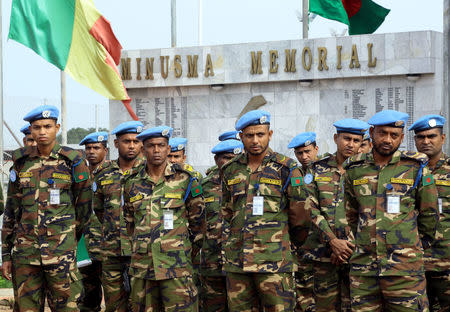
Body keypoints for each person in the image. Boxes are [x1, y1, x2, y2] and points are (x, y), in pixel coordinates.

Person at [344, 110, 439, 311]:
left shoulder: (416, 167)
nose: (388, 139)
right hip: (364, 271)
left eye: (394, 135)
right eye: (383, 133)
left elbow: (429, 214)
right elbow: (348, 214)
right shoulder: (355, 168)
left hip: (405, 271)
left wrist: (411, 246)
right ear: (372, 132)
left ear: (402, 138)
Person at [1, 105, 91, 311]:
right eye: (37, 127)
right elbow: (11, 210)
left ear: (57, 127)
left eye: (47, 126)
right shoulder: (21, 162)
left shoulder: (73, 161)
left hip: (61, 255)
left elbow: (85, 208)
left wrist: (68, 238)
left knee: (67, 308)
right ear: (30, 130)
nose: (42, 132)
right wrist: (6, 255)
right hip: (26, 256)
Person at [221, 110, 309, 311]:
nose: (255, 140)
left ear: (270, 135)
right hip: (238, 262)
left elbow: (300, 217)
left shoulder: (286, 168)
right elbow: (227, 212)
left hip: (274, 262)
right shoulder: (230, 170)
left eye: (260, 134)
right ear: (241, 137)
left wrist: (284, 246)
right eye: (249, 135)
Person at [123, 125, 205, 311]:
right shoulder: (131, 182)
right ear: (143, 150)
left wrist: (182, 253)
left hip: (176, 268)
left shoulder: (186, 179)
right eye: (151, 146)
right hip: (143, 269)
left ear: (168, 149)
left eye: (161, 145)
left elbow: (198, 224)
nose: (156, 150)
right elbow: (129, 223)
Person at [301, 119, 369, 312]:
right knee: (325, 307)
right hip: (323, 254)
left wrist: (347, 246)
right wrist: (332, 242)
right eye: (346, 138)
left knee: (356, 306)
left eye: (357, 140)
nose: (351, 144)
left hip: (356, 254)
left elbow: (370, 212)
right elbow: (310, 209)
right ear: (335, 138)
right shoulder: (316, 169)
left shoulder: (367, 171)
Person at [93, 121, 144, 312]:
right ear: (116, 144)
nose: (131, 146)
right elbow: (98, 209)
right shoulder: (102, 173)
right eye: (126, 141)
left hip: (140, 249)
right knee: (114, 304)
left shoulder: (148, 172)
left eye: (136, 141)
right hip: (111, 249)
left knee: (140, 303)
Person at [409, 114, 450, 311]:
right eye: (421, 137)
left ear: (442, 138)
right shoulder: (406, 171)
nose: (426, 141)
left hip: (446, 261)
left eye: (431, 136)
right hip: (412, 262)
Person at [199, 139, 243, 312]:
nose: (231, 162)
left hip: (240, 261)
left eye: (235, 157)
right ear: (217, 160)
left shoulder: (249, 183)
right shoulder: (204, 186)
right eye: (227, 157)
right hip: (212, 261)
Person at [78, 131, 109, 312]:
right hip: (84, 244)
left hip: (107, 244)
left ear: (105, 150)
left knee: (115, 294)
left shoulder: (114, 174)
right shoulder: (80, 175)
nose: (91, 151)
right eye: (88, 148)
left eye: (96, 148)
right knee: (87, 294)